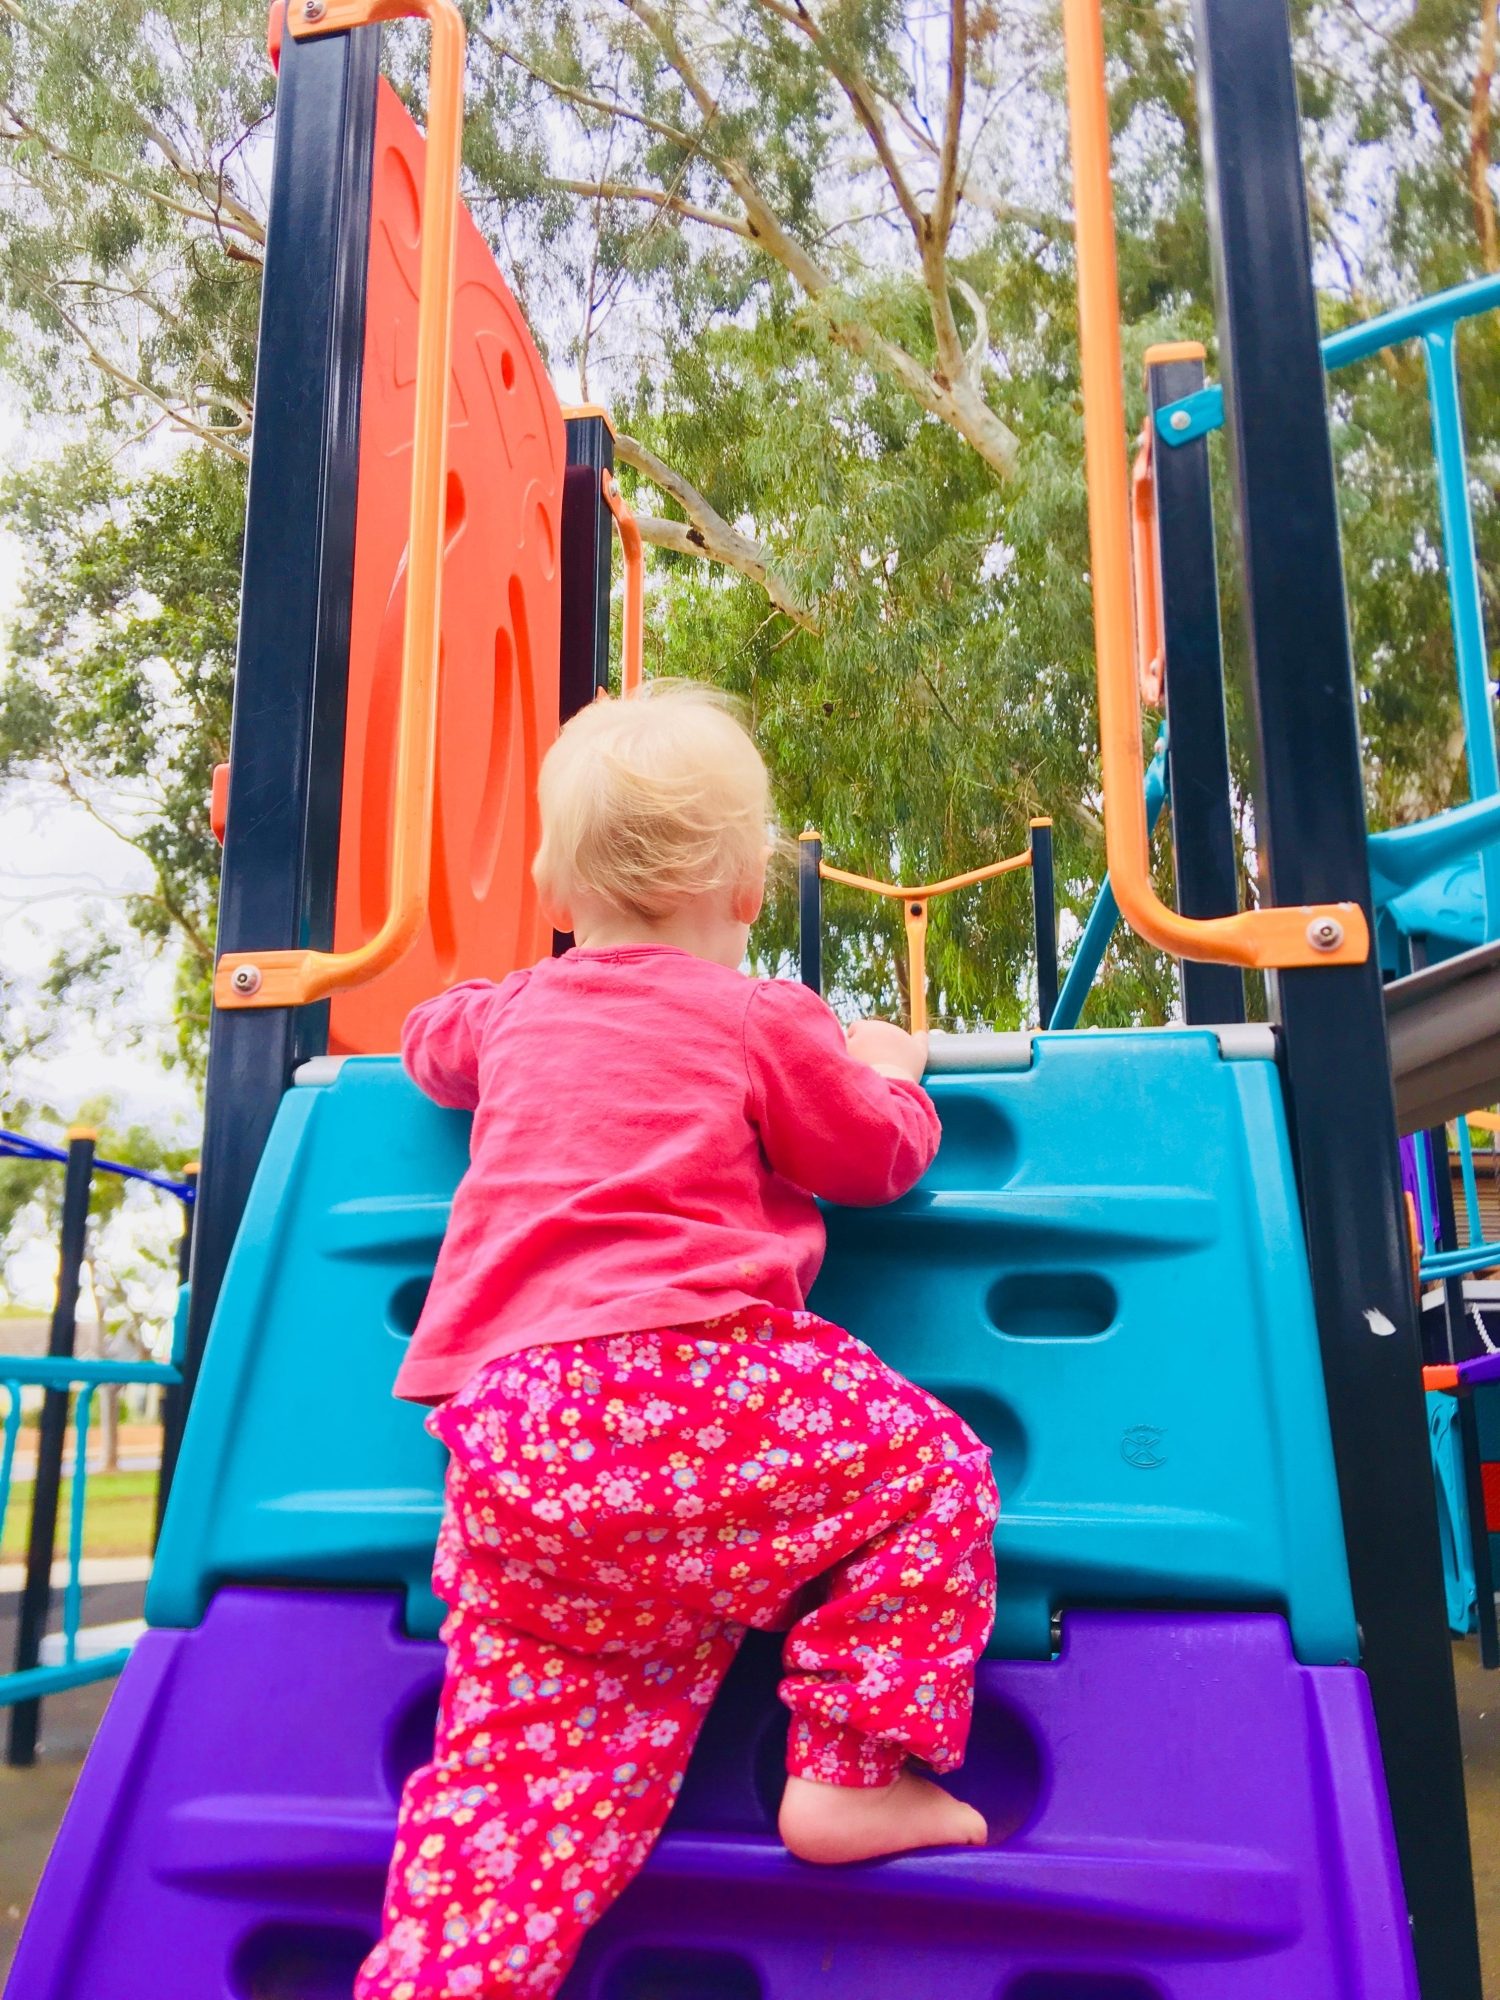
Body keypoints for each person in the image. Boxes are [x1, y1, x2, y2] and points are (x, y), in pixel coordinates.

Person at [356, 682, 999, 2000]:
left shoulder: (516, 1012)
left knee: (511, 1813)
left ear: (551, 880)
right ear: (751, 889)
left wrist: (449, 1019)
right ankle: (847, 1775)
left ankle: (446, 1976)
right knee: (936, 1475)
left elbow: (431, 1039)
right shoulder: (763, 1018)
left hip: (518, 1445)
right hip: (699, 1394)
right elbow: (872, 1156)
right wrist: (891, 1066)